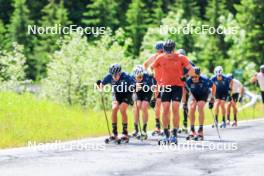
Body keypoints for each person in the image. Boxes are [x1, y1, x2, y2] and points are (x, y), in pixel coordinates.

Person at [152, 39, 195, 144]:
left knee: (175, 109)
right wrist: (154, 75)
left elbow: (192, 69)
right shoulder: (160, 57)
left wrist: (185, 76)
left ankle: (174, 133)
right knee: (165, 110)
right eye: (166, 51)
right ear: (164, 50)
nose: (169, 53)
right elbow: (151, 67)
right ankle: (166, 133)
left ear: (174, 49)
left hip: (177, 86)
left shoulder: (181, 58)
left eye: (170, 51)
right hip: (165, 86)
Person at [97, 64, 134, 143]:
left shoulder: (126, 76)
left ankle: (125, 133)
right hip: (116, 94)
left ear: (120, 73)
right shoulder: (109, 76)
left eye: (116, 74)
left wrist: (134, 87)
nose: (114, 76)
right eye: (113, 75)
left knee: (122, 109)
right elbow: (101, 84)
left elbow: (134, 83)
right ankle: (114, 133)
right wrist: (100, 88)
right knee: (114, 109)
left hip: (126, 93)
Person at [184, 67, 216, 140]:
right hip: (194, 95)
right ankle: (192, 129)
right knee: (192, 108)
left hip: (203, 94)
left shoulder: (205, 80)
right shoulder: (189, 81)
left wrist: (212, 98)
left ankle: (200, 130)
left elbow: (214, 87)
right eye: (192, 77)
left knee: (200, 107)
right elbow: (184, 90)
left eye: (196, 77)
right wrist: (184, 102)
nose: (194, 79)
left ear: (199, 75)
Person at [143, 41, 164, 135]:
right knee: (158, 105)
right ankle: (158, 126)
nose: (160, 53)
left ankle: (167, 127)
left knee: (166, 105)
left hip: (167, 82)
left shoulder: (168, 57)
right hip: (157, 82)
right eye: (159, 51)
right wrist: (149, 72)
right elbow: (145, 64)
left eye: (162, 51)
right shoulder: (154, 57)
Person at [131, 65, 154, 139]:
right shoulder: (131, 77)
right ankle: (136, 128)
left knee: (144, 107)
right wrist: (133, 90)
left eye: (141, 77)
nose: (139, 78)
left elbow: (151, 87)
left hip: (147, 91)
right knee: (137, 106)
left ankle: (144, 128)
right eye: (137, 77)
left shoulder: (147, 76)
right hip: (138, 92)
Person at [178, 48, 195, 133]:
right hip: (181, 86)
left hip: (190, 85)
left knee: (192, 105)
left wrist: (187, 77)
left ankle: (191, 125)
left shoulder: (189, 63)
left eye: (182, 56)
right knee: (184, 105)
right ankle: (184, 125)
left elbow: (195, 73)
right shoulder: (176, 63)